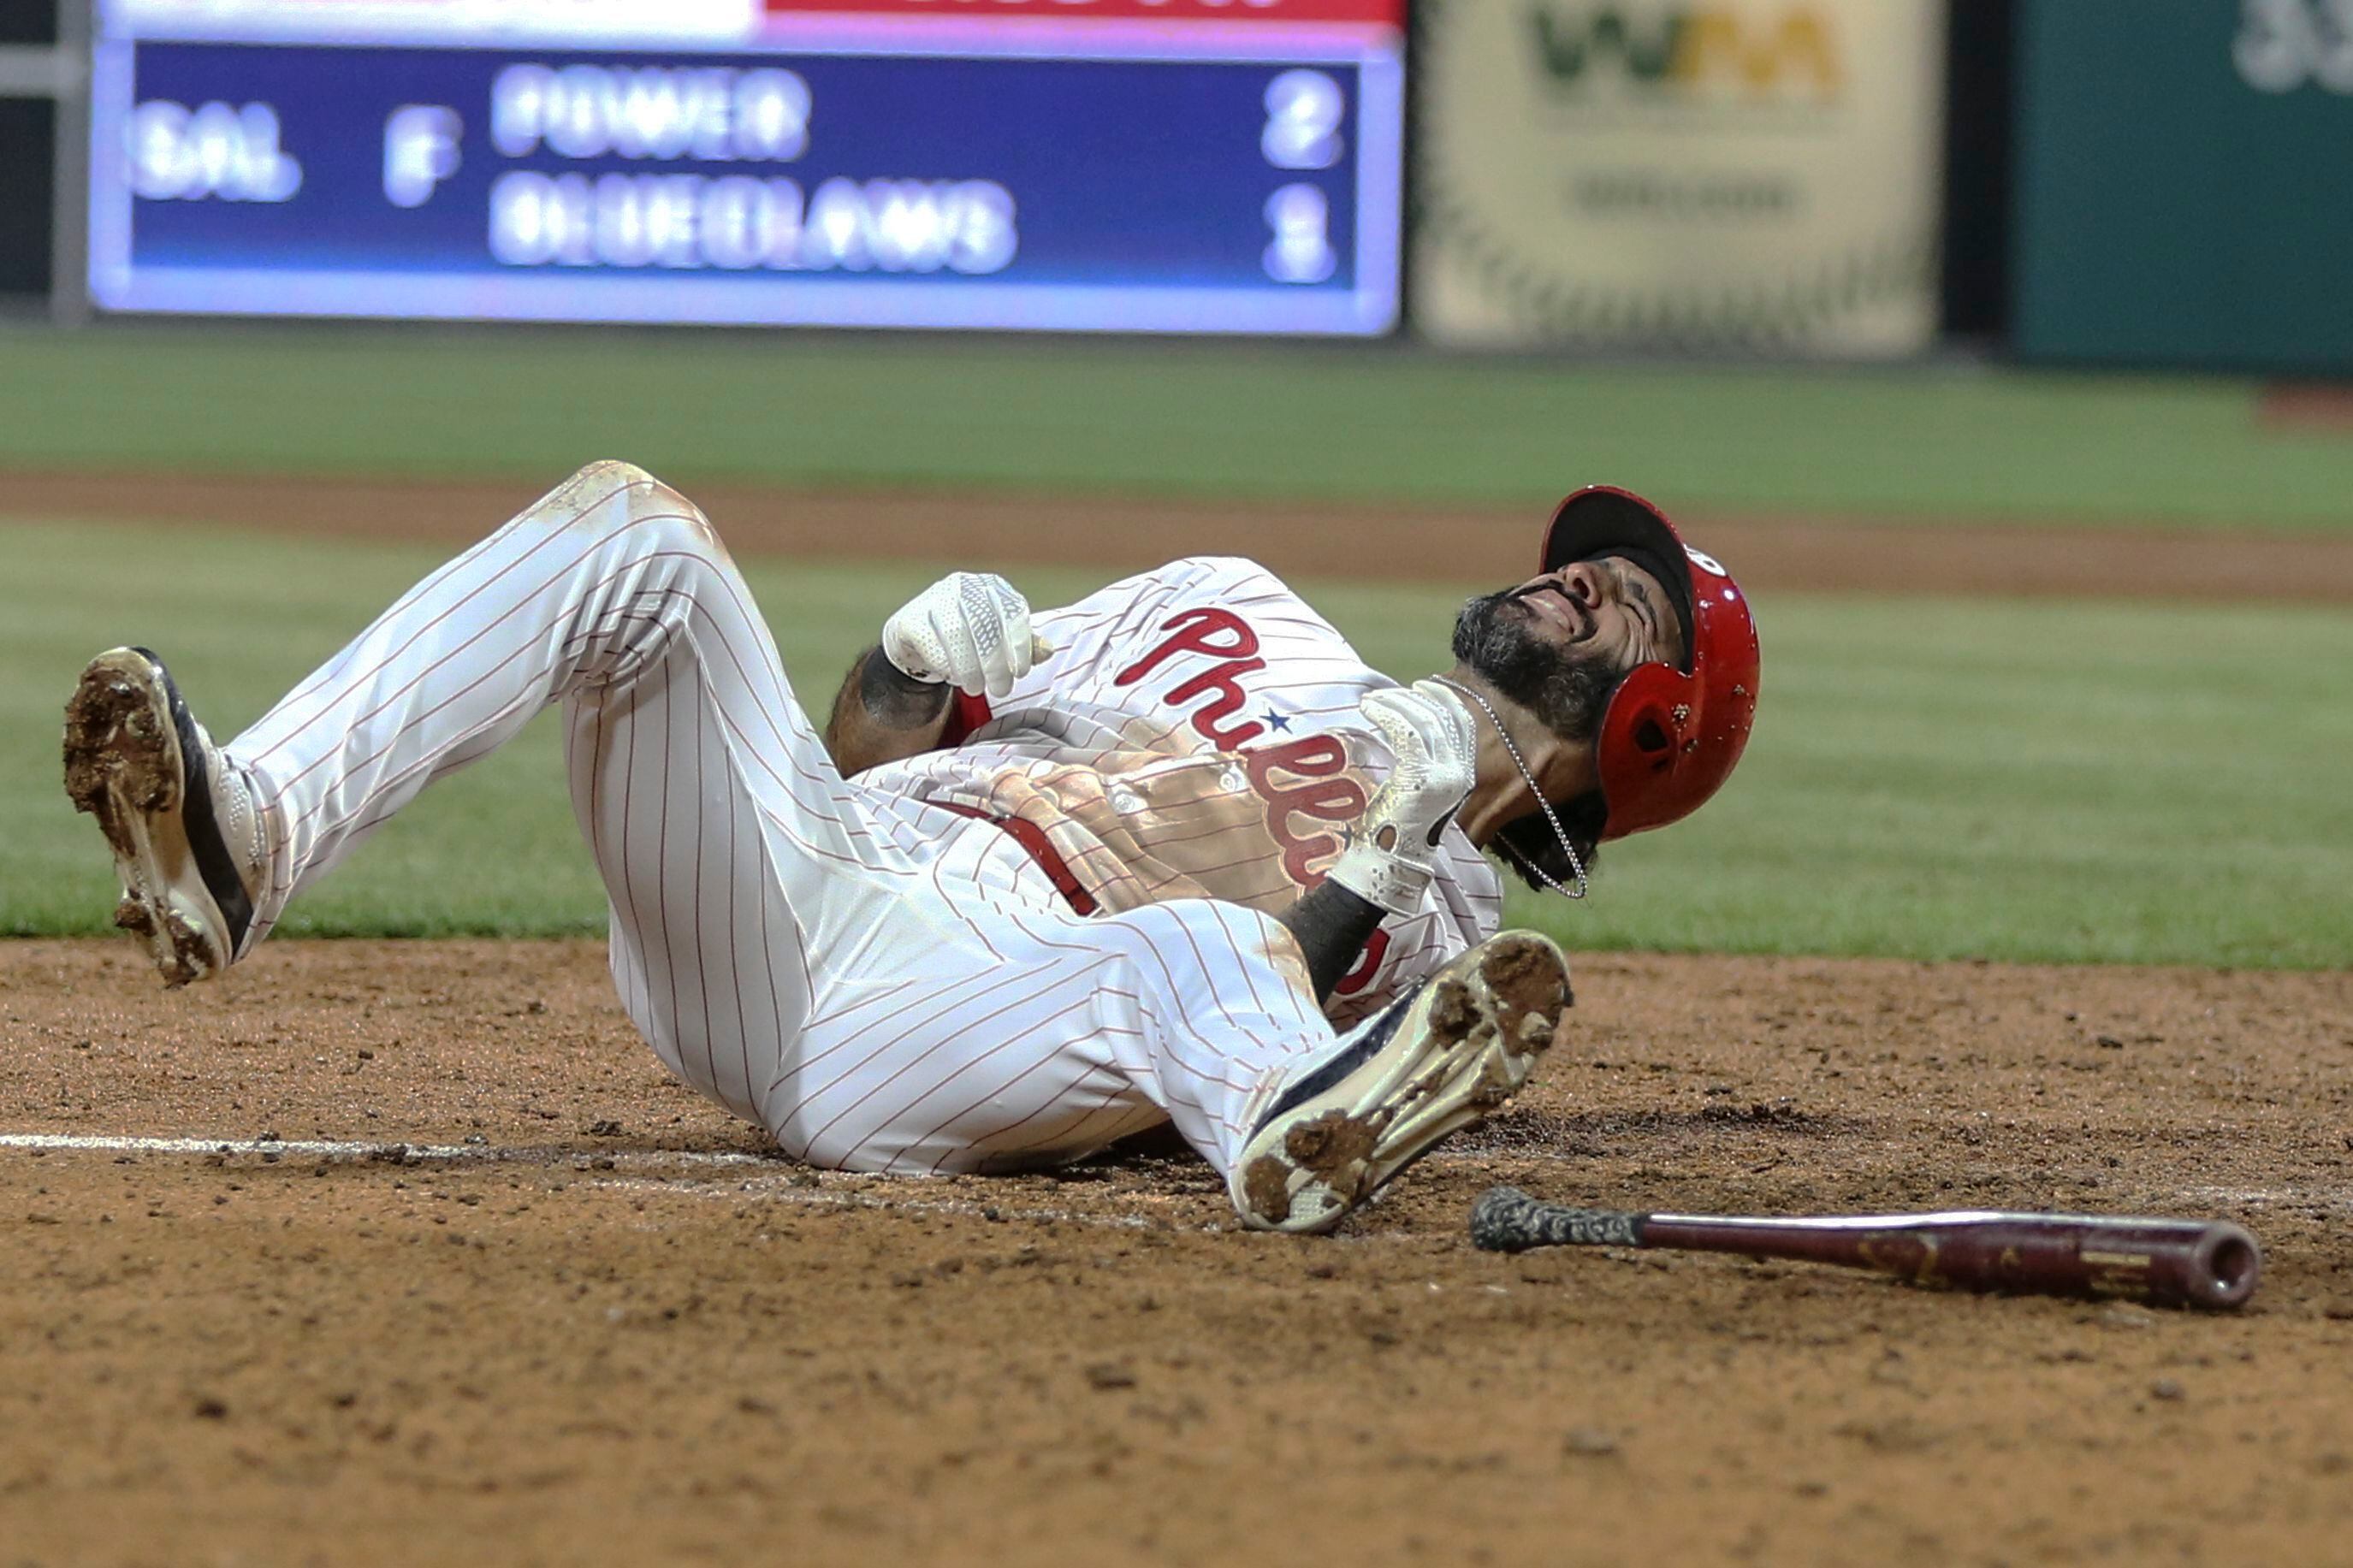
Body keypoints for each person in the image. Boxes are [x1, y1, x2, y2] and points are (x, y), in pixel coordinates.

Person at [60, 463, 1757, 1233]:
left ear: (1650, 732)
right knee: (637, 532)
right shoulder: (1230, 601)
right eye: (1592, 561)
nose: (1586, 577)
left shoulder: (1463, 946)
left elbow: (1257, 993)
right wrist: (908, 662)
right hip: (806, 878)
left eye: (1634, 604)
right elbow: (866, 744)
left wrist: (1386, 848)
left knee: (1212, 956)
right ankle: (250, 831)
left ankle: (1300, 1142)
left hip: (945, 1023)